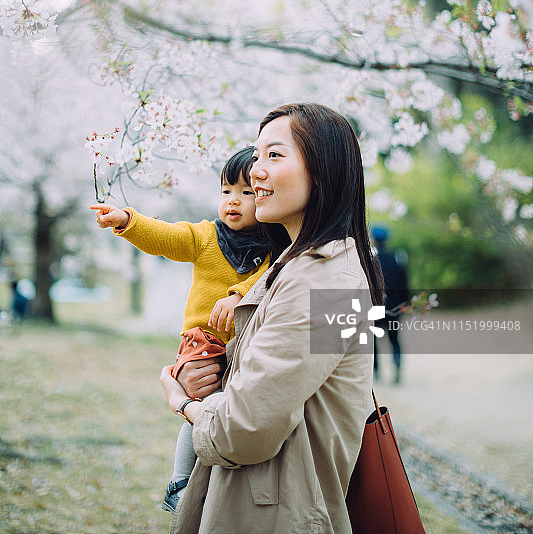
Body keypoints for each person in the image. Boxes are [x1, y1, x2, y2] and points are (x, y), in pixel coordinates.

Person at [159, 102, 384, 534]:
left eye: (274, 156)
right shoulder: (299, 265)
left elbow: (243, 429)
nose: (255, 171)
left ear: (321, 171)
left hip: (276, 513)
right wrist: (205, 380)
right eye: (256, 155)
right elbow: (270, 390)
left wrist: (182, 400)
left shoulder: (326, 282)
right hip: (263, 501)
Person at [90, 147, 275, 512]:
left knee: (232, 413)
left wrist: (238, 293)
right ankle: (180, 482)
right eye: (226, 192)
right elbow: (166, 237)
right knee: (203, 407)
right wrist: (128, 220)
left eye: (246, 193)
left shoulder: (275, 247)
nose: (233, 202)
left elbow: (269, 277)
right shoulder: (207, 236)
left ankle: (216, 487)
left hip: (242, 349)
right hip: (203, 341)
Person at [371, 225, 409, 384]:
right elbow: (404, 284)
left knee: (372, 340)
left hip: (375, 306)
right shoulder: (397, 257)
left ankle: (377, 372)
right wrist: (405, 304)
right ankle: (397, 365)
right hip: (394, 306)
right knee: (394, 338)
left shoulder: (370, 258)